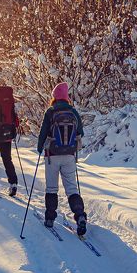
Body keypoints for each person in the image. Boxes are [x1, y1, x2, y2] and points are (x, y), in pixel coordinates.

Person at [36, 82, 86, 235]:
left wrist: (40, 149)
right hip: (69, 155)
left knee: (52, 188)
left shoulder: (50, 112)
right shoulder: (73, 112)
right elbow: (81, 132)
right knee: (72, 189)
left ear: (54, 97)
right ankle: (80, 216)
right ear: (66, 97)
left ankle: (50, 218)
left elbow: (43, 132)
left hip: (52, 155)